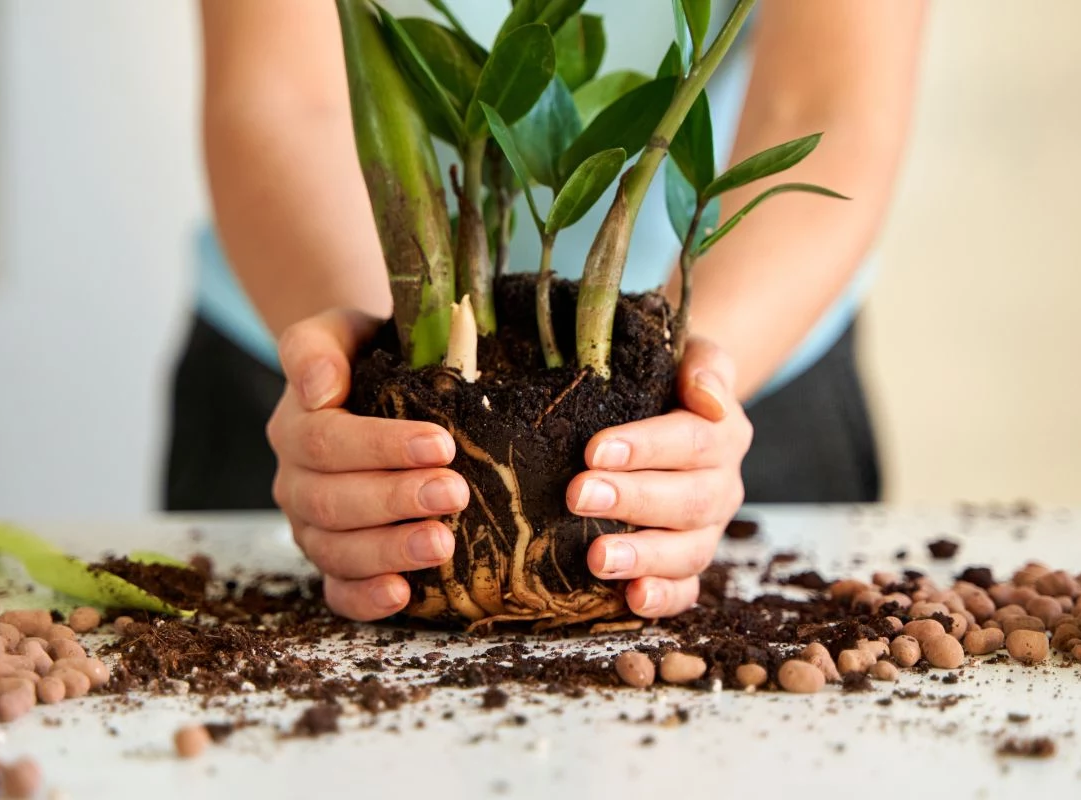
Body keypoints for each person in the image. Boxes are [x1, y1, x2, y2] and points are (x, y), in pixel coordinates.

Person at [168, 0, 926, 622]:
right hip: (303, 365)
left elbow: (827, 103)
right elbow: (285, 96)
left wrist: (686, 391)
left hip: (749, 359)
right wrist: (369, 376)